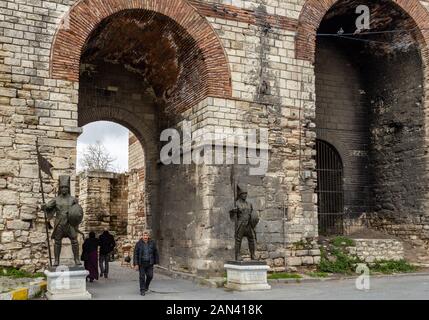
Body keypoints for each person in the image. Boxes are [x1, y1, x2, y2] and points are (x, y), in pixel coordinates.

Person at [133, 231, 159, 296]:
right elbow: (135, 254)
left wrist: (156, 261)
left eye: (146, 235)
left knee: (150, 276)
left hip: (150, 263)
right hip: (141, 263)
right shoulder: (138, 244)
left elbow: (155, 252)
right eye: (144, 235)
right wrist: (136, 264)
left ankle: (146, 286)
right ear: (142, 236)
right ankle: (142, 290)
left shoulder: (152, 243)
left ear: (148, 236)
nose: (145, 237)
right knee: (142, 277)